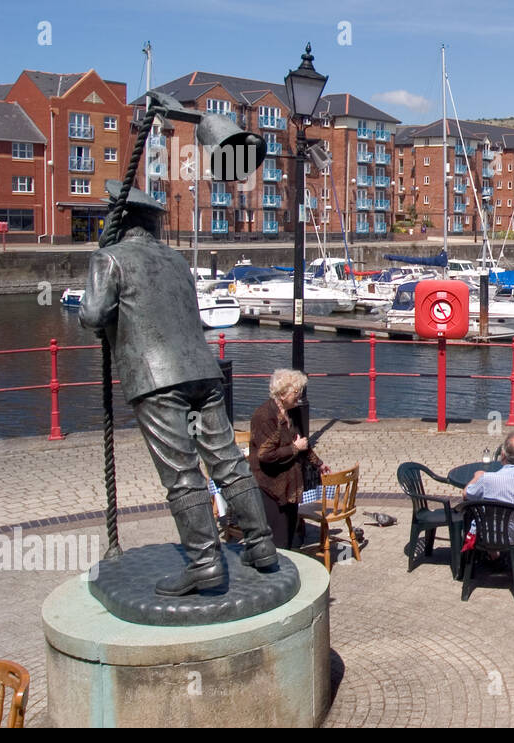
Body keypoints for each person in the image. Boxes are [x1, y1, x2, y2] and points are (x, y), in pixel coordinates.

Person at [80, 181, 278, 596]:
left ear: (118, 220)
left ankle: (205, 563)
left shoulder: (109, 259)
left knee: (182, 474)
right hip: (203, 373)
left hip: (156, 382)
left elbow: (95, 315)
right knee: (227, 462)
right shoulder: (174, 261)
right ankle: (261, 545)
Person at [250, 369, 329, 549]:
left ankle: (287, 566)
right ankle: (274, 572)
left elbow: (301, 442)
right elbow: (265, 455)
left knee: (288, 533)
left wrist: (318, 463)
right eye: (296, 391)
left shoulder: (290, 412)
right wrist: (295, 448)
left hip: (289, 484)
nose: (300, 395)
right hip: (270, 486)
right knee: (276, 539)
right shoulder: (265, 416)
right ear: (283, 392)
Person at [462, 434, 514, 546]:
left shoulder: (488, 479)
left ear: (503, 455)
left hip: (488, 533)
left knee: (477, 508)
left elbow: (466, 494)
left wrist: (477, 477)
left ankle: (489, 553)